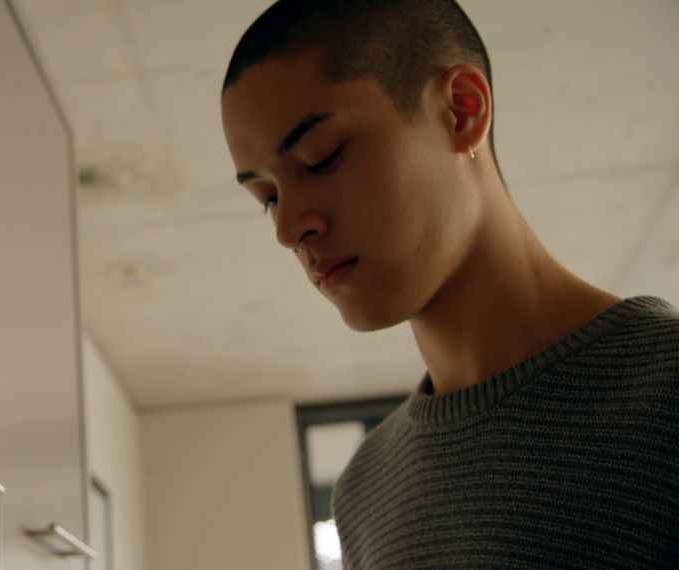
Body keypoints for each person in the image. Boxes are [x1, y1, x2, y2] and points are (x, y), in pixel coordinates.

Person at [219, 0, 679, 567]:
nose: (290, 229)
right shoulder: (365, 490)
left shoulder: (666, 393)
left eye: (322, 159)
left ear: (462, 110)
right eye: (267, 199)